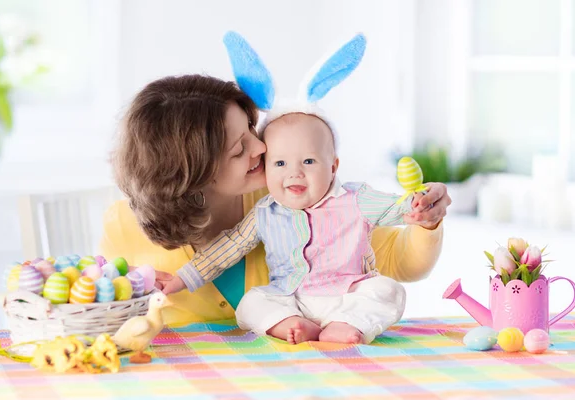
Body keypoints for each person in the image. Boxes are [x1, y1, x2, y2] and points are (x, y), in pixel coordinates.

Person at [100, 35, 451, 330]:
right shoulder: (123, 227)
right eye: (240, 149)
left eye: (252, 129)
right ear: (191, 177)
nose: (262, 147)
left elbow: (403, 264)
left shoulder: (294, 192)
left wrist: (427, 220)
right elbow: (104, 319)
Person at [164, 110, 420, 344]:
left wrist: (422, 203)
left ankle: (346, 325)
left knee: (388, 290)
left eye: (308, 161)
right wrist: (180, 279)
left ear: (333, 166)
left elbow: (396, 206)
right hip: (291, 298)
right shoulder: (265, 212)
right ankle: (289, 324)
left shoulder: (355, 198)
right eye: (280, 164)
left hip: (348, 294)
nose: (294, 173)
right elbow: (227, 249)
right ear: (264, 168)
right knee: (251, 303)